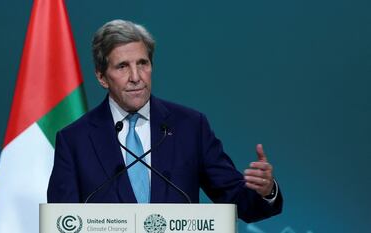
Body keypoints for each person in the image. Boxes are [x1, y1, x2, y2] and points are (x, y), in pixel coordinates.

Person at [47, 19, 282, 223]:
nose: (136, 77)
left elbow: (238, 200)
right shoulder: (74, 139)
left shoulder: (190, 126)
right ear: (101, 77)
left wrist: (265, 190)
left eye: (142, 63)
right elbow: (62, 221)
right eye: (122, 67)